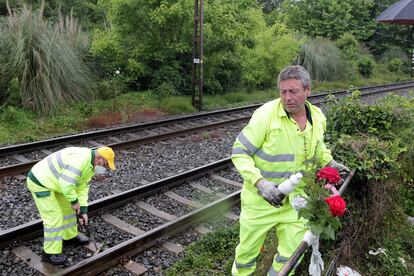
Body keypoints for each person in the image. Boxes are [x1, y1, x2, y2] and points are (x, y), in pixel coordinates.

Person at [231, 65, 349, 275]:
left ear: (307, 90)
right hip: (260, 202)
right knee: (246, 256)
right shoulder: (265, 115)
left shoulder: (318, 117)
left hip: (296, 202)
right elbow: (240, 152)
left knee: (291, 255)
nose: (287, 97)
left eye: (293, 91)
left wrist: (329, 162)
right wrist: (260, 183)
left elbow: (318, 147)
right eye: (283, 91)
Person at [26, 146, 116, 265]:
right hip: (41, 182)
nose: (104, 169)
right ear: (99, 158)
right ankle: (49, 253)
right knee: (54, 217)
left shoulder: (90, 167)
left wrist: (83, 210)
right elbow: (67, 184)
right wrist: (74, 202)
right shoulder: (79, 160)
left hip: (57, 183)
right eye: (104, 165)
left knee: (68, 210)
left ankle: (69, 237)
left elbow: (83, 189)